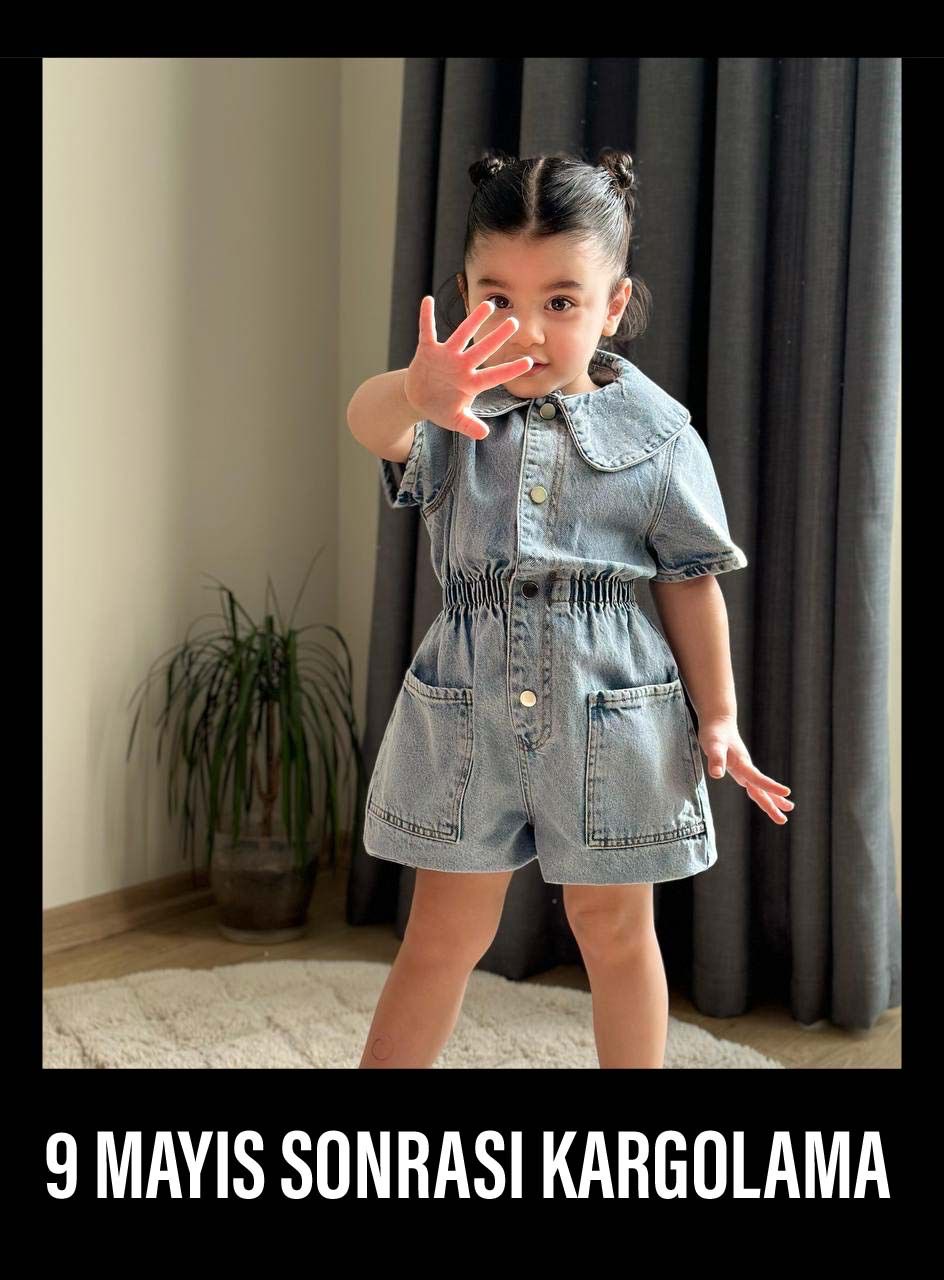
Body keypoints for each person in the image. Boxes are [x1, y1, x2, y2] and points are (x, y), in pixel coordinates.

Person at [346, 147, 793, 1069]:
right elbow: (371, 424)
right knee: (442, 933)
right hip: (467, 715)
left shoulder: (659, 438)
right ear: (465, 297)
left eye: (560, 301)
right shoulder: (451, 414)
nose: (527, 330)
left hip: (612, 716)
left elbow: (690, 580)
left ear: (612, 306)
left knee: (617, 932)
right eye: (498, 299)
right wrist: (412, 391)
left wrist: (719, 716)